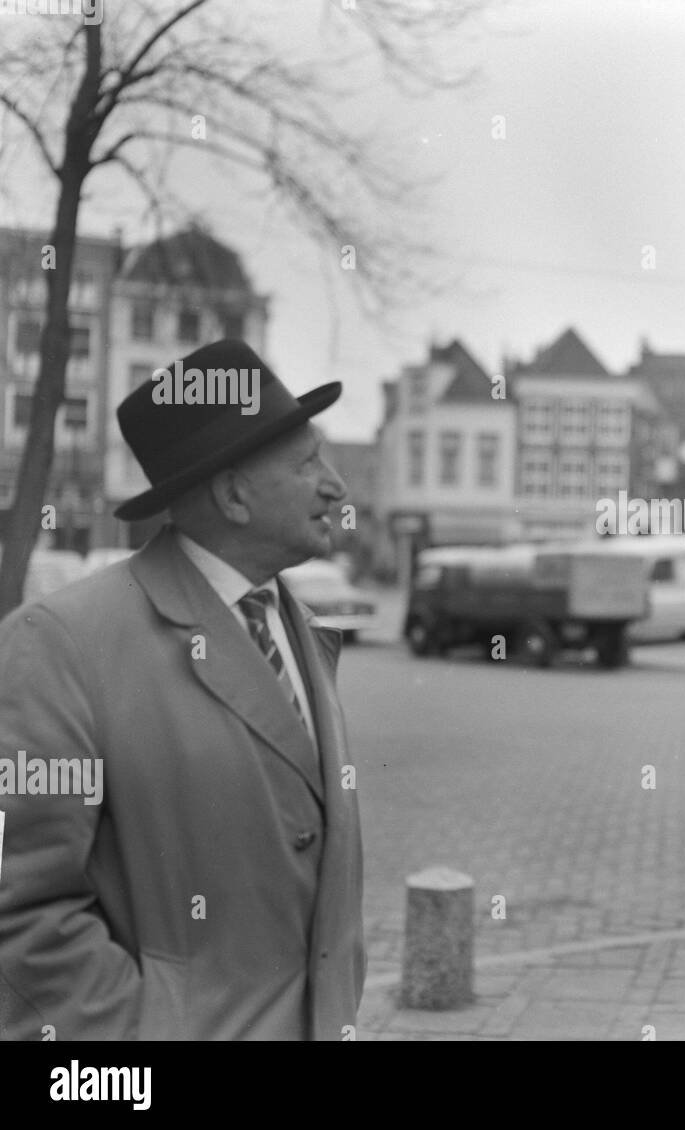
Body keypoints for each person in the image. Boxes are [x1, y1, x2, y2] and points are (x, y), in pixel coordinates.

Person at [0, 339, 364, 1040]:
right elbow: (20, 912)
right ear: (232, 494)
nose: (337, 486)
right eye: (309, 462)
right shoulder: (58, 646)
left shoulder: (304, 633)